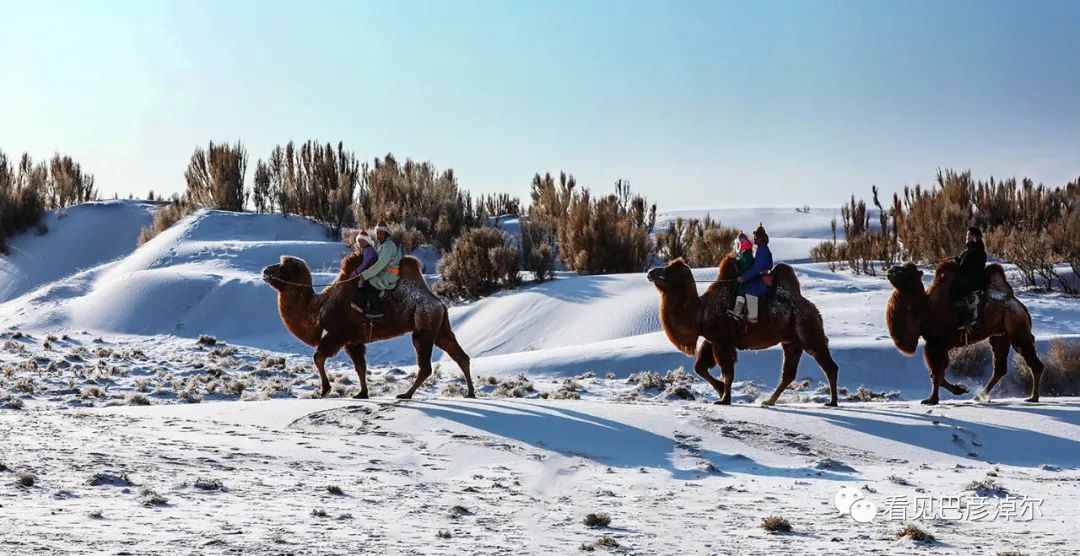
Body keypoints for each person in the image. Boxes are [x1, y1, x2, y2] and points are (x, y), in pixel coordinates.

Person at [357, 220, 402, 318]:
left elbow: (379, 265)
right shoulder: (382, 245)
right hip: (383, 273)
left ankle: (377, 309)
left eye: (381, 232)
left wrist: (365, 275)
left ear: (386, 233)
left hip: (389, 275)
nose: (378, 235)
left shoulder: (388, 246)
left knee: (369, 283)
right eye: (377, 232)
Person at [735, 224, 773, 324]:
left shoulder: (763, 250)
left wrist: (744, 277)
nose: (754, 239)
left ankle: (752, 316)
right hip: (761, 277)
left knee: (749, 289)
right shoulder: (761, 249)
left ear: (761, 238)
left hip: (763, 279)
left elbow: (757, 268)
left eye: (756, 237)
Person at [952, 226, 987, 329]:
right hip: (968, 278)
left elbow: (971, 267)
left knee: (956, 291)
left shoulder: (978, 251)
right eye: (967, 235)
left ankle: (966, 319)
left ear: (974, 237)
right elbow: (965, 264)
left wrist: (960, 265)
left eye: (968, 235)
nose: (966, 237)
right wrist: (958, 261)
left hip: (975, 280)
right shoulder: (969, 250)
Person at [349, 229, 379, 317]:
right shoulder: (364, 250)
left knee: (364, 288)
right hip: (365, 274)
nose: (360, 243)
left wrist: (354, 273)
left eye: (362, 241)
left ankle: (365, 307)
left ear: (367, 241)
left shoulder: (369, 250)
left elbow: (364, 265)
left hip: (370, 275)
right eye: (359, 241)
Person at [729, 232, 755, 319]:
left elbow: (746, 268)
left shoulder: (746, 255)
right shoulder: (742, 254)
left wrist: (742, 276)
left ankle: (738, 311)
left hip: (747, 279)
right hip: (742, 277)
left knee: (741, 289)